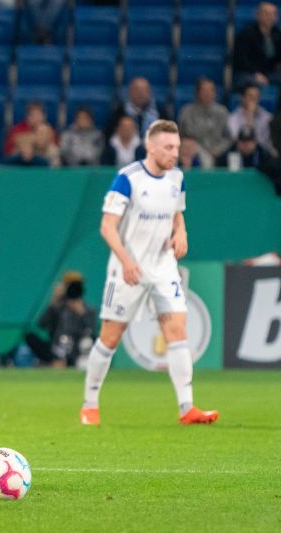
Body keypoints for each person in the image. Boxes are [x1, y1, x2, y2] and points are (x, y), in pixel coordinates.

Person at [80, 119, 219, 427]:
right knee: (110, 337)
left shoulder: (177, 178)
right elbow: (107, 226)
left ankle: (187, 408)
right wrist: (127, 261)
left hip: (162, 267)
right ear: (151, 147)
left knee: (178, 331)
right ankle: (90, 404)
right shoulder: (127, 179)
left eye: (178, 147)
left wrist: (181, 232)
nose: (175, 153)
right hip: (127, 269)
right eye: (169, 147)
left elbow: (177, 216)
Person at [24, 272, 96, 369]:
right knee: (30, 337)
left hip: (77, 349)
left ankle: (66, 362)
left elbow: (90, 332)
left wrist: (82, 314)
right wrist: (54, 301)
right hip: (56, 347)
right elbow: (41, 324)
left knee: (95, 341)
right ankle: (56, 361)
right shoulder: (58, 307)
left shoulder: (88, 309)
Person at [178, 78, 231, 165]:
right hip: (194, 151)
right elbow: (182, 136)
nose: (208, 94)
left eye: (211, 90)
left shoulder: (222, 112)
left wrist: (217, 150)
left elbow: (228, 138)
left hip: (217, 152)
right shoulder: (187, 112)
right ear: (197, 93)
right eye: (205, 91)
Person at [233, 2, 281, 88]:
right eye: (267, 14)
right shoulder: (246, 34)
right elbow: (241, 60)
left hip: (269, 73)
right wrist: (255, 73)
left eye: (273, 14)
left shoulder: (277, 34)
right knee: (254, 83)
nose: (270, 17)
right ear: (257, 15)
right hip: (247, 73)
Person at [105, 78, 169, 139]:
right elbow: (109, 134)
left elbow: (171, 132)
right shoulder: (120, 111)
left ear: (150, 93)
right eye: (136, 90)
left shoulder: (160, 110)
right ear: (129, 92)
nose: (140, 93)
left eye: (144, 90)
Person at [227, 83, 275, 156]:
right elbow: (240, 141)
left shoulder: (267, 117)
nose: (254, 99)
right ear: (242, 98)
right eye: (250, 96)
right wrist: (250, 116)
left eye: (256, 96)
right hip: (240, 155)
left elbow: (265, 142)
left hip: (263, 155)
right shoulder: (233, 118)